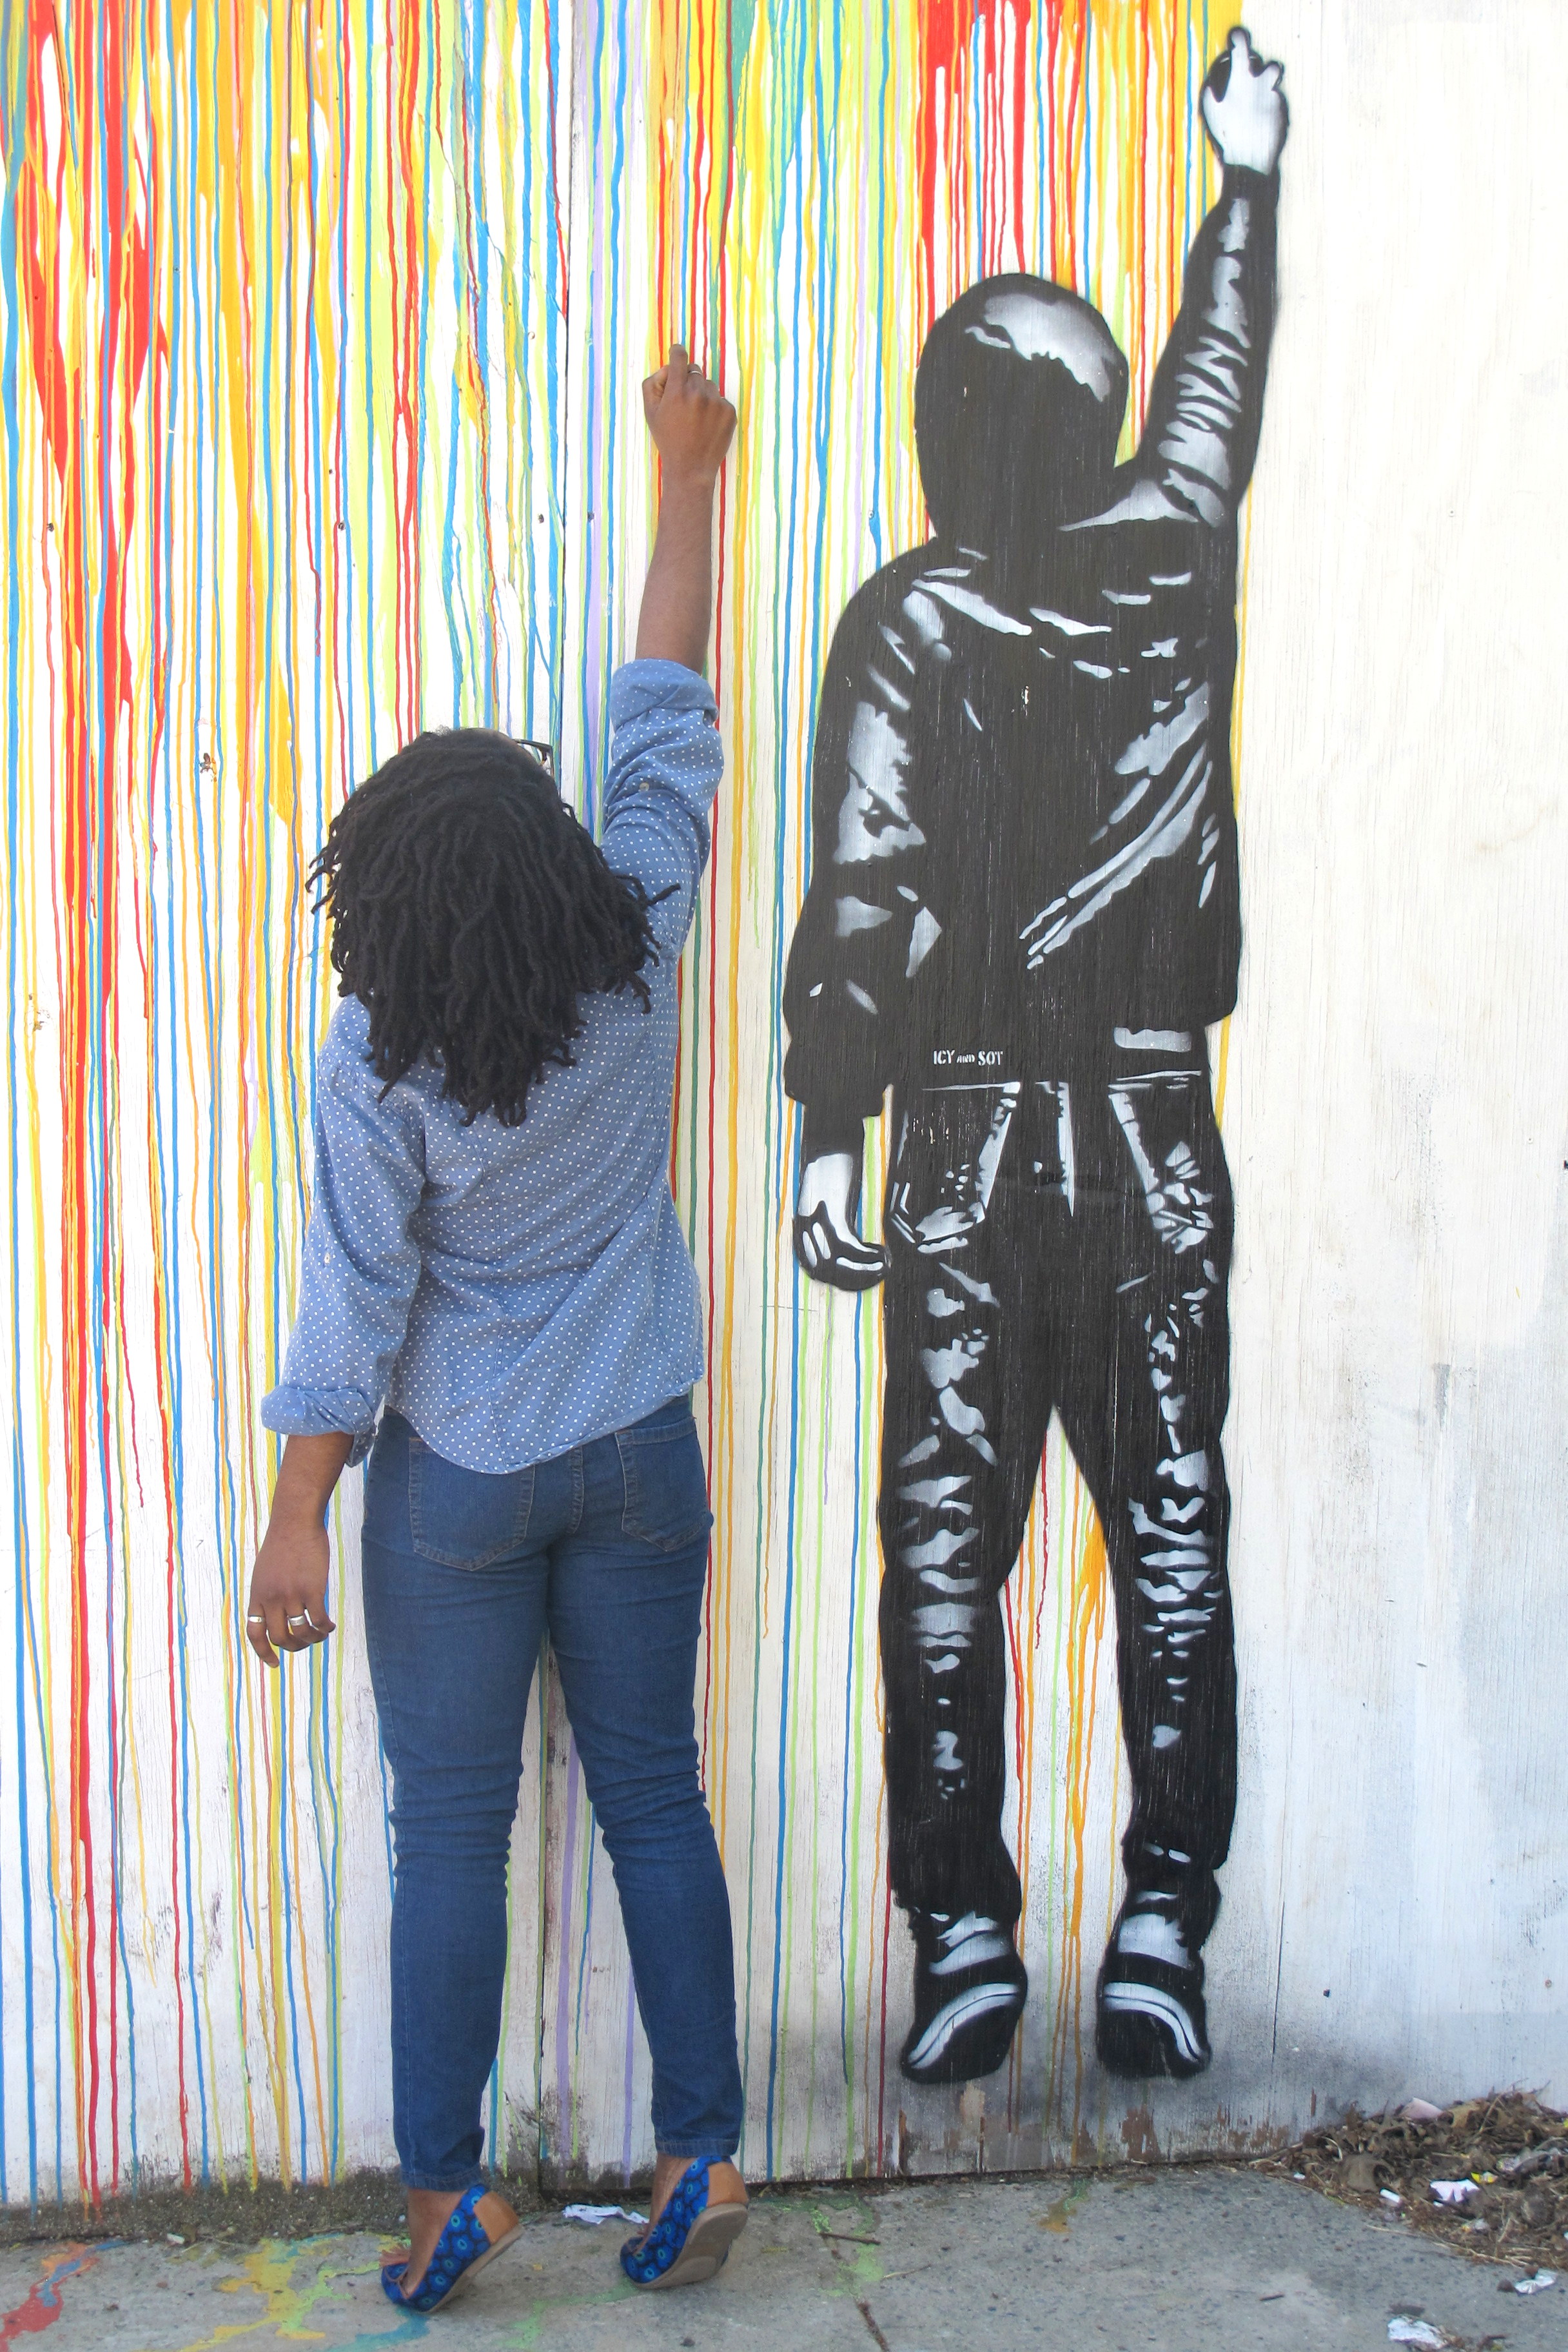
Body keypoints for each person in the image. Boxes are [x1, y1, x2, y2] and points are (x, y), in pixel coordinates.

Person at [782, 30, 1287, 2087]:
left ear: (942, 439)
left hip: (970, 1135)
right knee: (1169, 1528)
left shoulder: (906, 625)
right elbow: (1218, 390)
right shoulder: (1181, 558)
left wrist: (833, 1124)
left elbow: (871, 893)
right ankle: (1163, 1927)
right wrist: (1244, 187)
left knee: (942, 1548)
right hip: (1155, 1122)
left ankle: (966, 1940)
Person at [248, 347, 747, 2311]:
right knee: (654, 1796)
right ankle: (702, 2155)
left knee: (451, 1836)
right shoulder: (636, 937)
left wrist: (299, 1514)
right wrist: (687, 478)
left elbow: (358, 1298)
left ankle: (450, 2198)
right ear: (545, 852)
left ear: (385, 894)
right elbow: (664, 707)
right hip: (639, 1454)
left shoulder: (380, 1054)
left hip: (457, 1479)